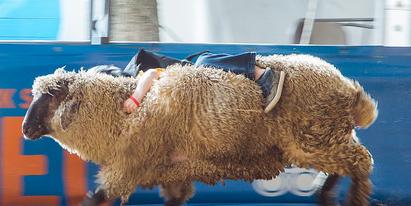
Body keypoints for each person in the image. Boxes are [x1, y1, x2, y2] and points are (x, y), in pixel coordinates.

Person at [112, 48, 284, 114]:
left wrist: (135, 97)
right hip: (194, 98)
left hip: (190, 77)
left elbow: (150, 74)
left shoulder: (137, 77)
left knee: (203, 64)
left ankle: (263, 75)